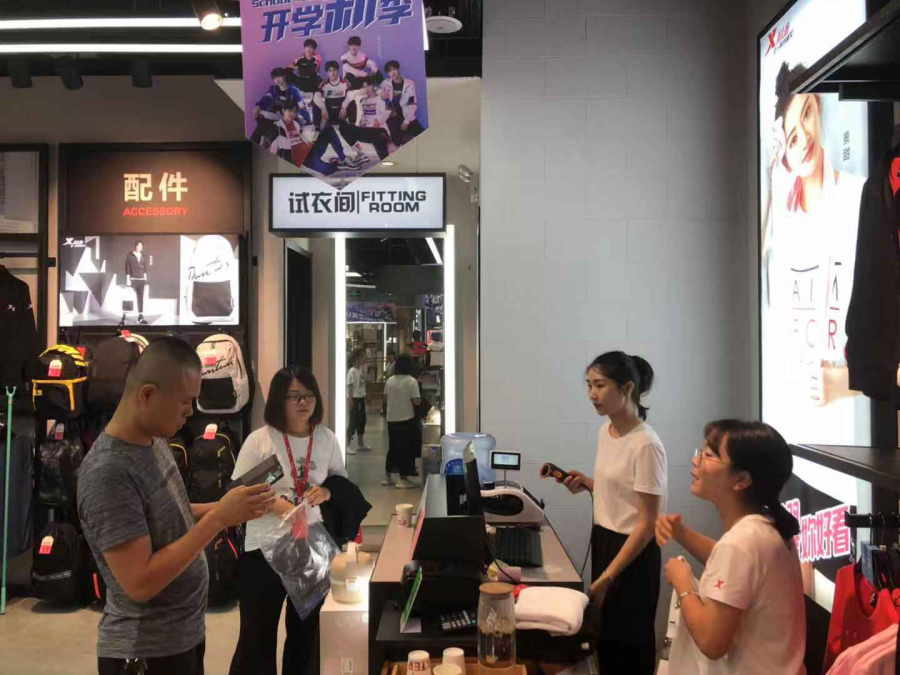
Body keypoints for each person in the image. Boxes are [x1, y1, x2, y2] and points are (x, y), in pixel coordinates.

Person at [77, 337, 275, 675]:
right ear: (147, 395)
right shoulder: (108, 472)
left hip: (182, 638)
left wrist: (228, 508)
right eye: (185, 402)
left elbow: (172, 512)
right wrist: (218, 519)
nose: (191, 412)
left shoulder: (154, 439)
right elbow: (140, 582)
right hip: (145, 654)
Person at [761, 61, 865, 425]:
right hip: (790, 420)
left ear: (818, 107)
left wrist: (847, 382)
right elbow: (755, 280)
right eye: (790, 137)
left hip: (851, 426)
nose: (803, 138)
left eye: (806, 114)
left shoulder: (857, 196)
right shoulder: (782, 220)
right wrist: (771, 177)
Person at [656, 420, 805, 674]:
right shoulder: (765, 527)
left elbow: (711, 642)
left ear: (742, 479)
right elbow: (735, 570)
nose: (695, 461)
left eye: (708, 455)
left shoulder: (740, 543)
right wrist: (681, 533)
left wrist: (682, 582)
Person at [229, 366, 347, 675]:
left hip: (311, 547)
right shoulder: (260, 440)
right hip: (264, 548)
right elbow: (237, 491)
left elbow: (340, 483)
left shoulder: (326, 439)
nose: (302, 402)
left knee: (307, 635)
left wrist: (327, 492)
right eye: (293, 396)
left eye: (308, 395)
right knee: (257, 635)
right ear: (278, 400)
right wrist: (276, 504)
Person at [562, 351, 666, 675]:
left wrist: (609, 577)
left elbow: (647, 524)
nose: (592, 394)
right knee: (605, 640)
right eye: (589, 385)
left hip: (633, 554)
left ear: (628, 388)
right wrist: (589, 483)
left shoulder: (646, 445)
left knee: (628, 647)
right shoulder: (605, 431)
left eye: (600, 385)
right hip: (605, 541)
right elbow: (624, 492)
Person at [269, 105, 362, 174]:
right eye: (289, 111)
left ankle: (343, 159)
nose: (292, 114)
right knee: (328, 170)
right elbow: (273, 151)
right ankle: (336, 163)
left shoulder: (295, 124)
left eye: (294, 112)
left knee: (328, 129)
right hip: (305, 161)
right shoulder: (277, 127)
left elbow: (300, 139)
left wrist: (311, 143)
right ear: (283, 111)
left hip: (310, 150)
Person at [383, 353, 421, 489]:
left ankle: (387, 477)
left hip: (391, 418)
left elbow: (385, 398)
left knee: (393, 447)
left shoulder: (390, 380)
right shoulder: (412, 381)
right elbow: (417, 401)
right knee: (405, 449)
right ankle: (402, 478)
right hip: (406, 419)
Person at [339, 76, 391, 163]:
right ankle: (360, 153)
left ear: (373, 85)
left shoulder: (381, 99)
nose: (367, 89)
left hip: (380, 131)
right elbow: (363, 117)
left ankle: (385, 161)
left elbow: (387, 113)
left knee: (378, 135)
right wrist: (362, 121)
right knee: (343, 128)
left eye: (369, 86)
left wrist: (378, 120)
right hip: (367, 131)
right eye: (364, 87)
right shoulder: (362, 101)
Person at [251, 67, 304, 148]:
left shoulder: (293, 90)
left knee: (267, 130)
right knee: (259, 118)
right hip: (273, 117)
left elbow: (301, 106)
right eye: (274, 78)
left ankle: (266, 140)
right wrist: (258, 106)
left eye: (279, 77)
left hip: (286, 118)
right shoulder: (273, 89)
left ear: (284, 76)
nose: (277, 80)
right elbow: (266, 98)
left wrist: (304, 121)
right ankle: (262, 141)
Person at [380, 60, 424, 146]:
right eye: (389, 71)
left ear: (398, 69)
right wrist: (381, 97)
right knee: (398, 141)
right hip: (392, 115)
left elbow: (412, 104)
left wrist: (406, 121)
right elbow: (379, 97)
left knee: (422, 134)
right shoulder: (385, 83)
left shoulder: (409, 84)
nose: (392, 73)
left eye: (394, 69)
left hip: (406, 113)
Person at [346, 348, 370, 454]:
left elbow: (362, 386)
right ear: (356, 359)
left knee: (361, 421)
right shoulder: (352, 371)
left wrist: (366, 396)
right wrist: (350, 400)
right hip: (355, 400)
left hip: (361, 399)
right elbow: (350, 386)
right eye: (362, 357)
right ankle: (347, 445)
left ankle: (360, 444)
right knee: (353, 422)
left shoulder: (360, 371)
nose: (364, 359)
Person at [314, 60, 351, 127]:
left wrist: (344, 106)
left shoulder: (344, 83)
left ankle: (352, 125)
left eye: (334, 70)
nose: (332, 73)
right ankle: (317, 128)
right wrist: (323, 107)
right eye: (330, 71)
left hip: (341, 112)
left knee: (352, 102)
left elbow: (351, 94)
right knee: (315, 104)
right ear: (327, 72)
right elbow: (316, 96)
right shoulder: (324, 84)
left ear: (338, 70)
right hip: (329, 113)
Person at [124, 240, 148, 325]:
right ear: (136, 246)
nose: (139, 247)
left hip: (141, 280)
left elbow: (145, 268)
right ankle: (124, 317)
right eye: (138, 246)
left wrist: (145, 279)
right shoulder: (129, 255)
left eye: (141, 246)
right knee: (128, 298)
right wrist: (128, 279)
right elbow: (127, 267)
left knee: (140, 299)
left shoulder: (143, 256)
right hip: (132, 279)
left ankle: (140, 318)